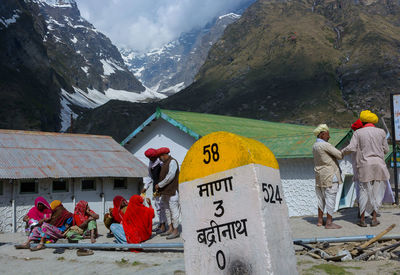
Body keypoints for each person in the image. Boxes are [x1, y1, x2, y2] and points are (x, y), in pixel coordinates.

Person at [342, 110, 390, 227]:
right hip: (379, 165)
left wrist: (341, 152)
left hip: (365, 165)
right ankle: (374, 219)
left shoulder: (358, 133)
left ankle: (362, 219)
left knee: (364, 191)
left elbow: (352, 147)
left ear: (362, 121)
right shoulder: (381, 132)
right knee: (376, 192)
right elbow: (386, 149)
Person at [312, 124, 343, 229]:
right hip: (330, 174)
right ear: (322, 134)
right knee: (330, 197)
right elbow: (339, 155)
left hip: (319, 175)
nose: (329, 137)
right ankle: (329, 222)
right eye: (327, 135)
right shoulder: (325, 145)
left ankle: (320, 221)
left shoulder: (315, 146)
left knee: (321, 198)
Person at [155, 147, 181, 239]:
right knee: (167, 210)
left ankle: (175, 230)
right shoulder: (165, 163)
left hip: (172, 191)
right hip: (166, 192)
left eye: (160, 157)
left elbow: (170, 176)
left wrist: (160, 185)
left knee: (174, 211)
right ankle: (170, 228)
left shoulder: (172, 162)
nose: (159, 159)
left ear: (164, 155)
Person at [143, 148, 166, 234]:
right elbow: (149, 176)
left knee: (162, 206)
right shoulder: (151, 164)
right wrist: (145, 187)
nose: (150, 159)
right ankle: (160, 224)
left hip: (162, 188)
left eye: (151, 158)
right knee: (158, 207)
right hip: (155, 188)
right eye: (149, 158)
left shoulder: (161, 163)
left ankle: (163, 225)